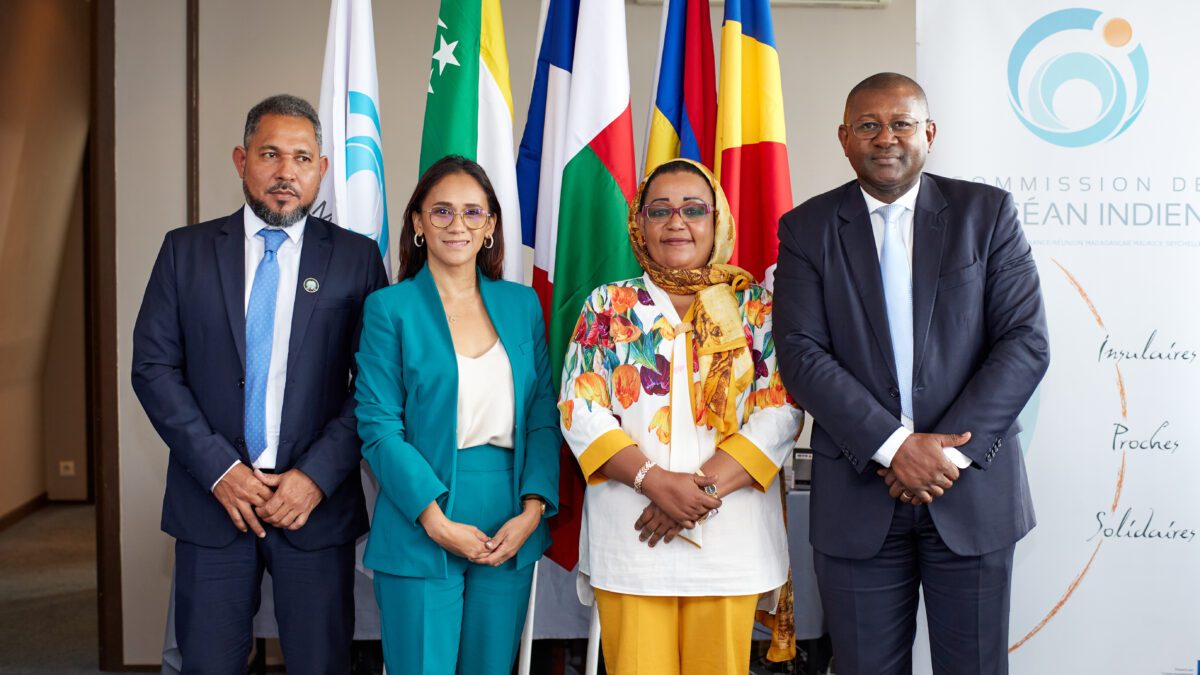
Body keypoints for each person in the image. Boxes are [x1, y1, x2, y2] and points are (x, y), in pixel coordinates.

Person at [773, 72, 1050, 674]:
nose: (886, 138)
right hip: (858, 499)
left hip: (969, 491)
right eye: (868, 126)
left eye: (901, 123)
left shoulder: (986, 214)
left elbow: (1025, 343)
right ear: (843, 138)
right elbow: (800, 354)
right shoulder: (805, 229)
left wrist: (943, 456)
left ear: (929, 133)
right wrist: (895, 446)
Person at [131, 94, 388, 673]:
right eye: (270, 154)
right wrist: (220, 470)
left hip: (312, 509)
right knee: (208, 664)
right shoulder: (185, 252)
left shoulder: (356, 259)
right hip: (212, 503)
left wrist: (316, 476)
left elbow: (376, 383)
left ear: (322, 170)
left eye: (302, 158)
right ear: (241, 160)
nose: (285, 172)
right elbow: (153, 367)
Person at [558, 158, 804, 674]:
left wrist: (692, 492)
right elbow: (581, 408)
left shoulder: (755, 307)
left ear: (717, 221)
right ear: (639, 223)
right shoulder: (608, 305)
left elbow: (781, 409)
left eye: (693, 209)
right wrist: (655, 482)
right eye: (660, 210)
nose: (677, 222)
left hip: (730, 539)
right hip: (634, 536)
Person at [354, 155, 560, 674]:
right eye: (441, 211)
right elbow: (379, 429)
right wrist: (436, 521)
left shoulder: (522, 305)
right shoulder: (390, 308)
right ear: (418, 222)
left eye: (472, 212)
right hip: (420, 511)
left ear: (490, 225)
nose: (457, 225)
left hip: (509, 513)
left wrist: (533, 509)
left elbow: (542, 413)